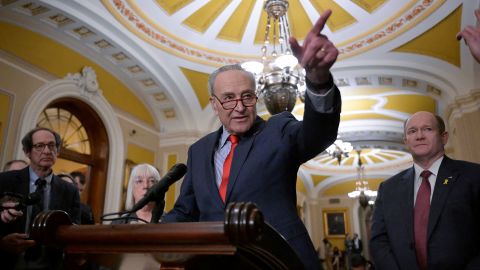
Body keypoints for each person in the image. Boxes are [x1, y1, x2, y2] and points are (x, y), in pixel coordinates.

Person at [162, 10, 341, 270]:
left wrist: (318, 79)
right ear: (214, 104)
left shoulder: (278, 129)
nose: (239, 106)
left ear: (255, 98)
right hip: (216, 263)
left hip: (277, 259)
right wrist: (147, 232)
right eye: (229, 98)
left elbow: (319, 134)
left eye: (247, 96)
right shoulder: (198, 151)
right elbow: (185, 211)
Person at [369, 111, 480, 270]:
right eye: (412, 131)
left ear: (444, 137)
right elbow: (378, 241)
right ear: (406, 141)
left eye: (427, 129)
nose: (419, 136)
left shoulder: (473, 176)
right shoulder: (388, 189)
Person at [0, 127, 81, 269]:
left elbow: (74, 228)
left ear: (58, 151)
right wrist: (1, 242)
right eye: (39, 146)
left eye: (51, 145)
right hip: (7, 259)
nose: (47, 151)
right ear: (27, 152)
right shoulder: (5, 181)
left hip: (50, 263)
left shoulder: (70, 190)